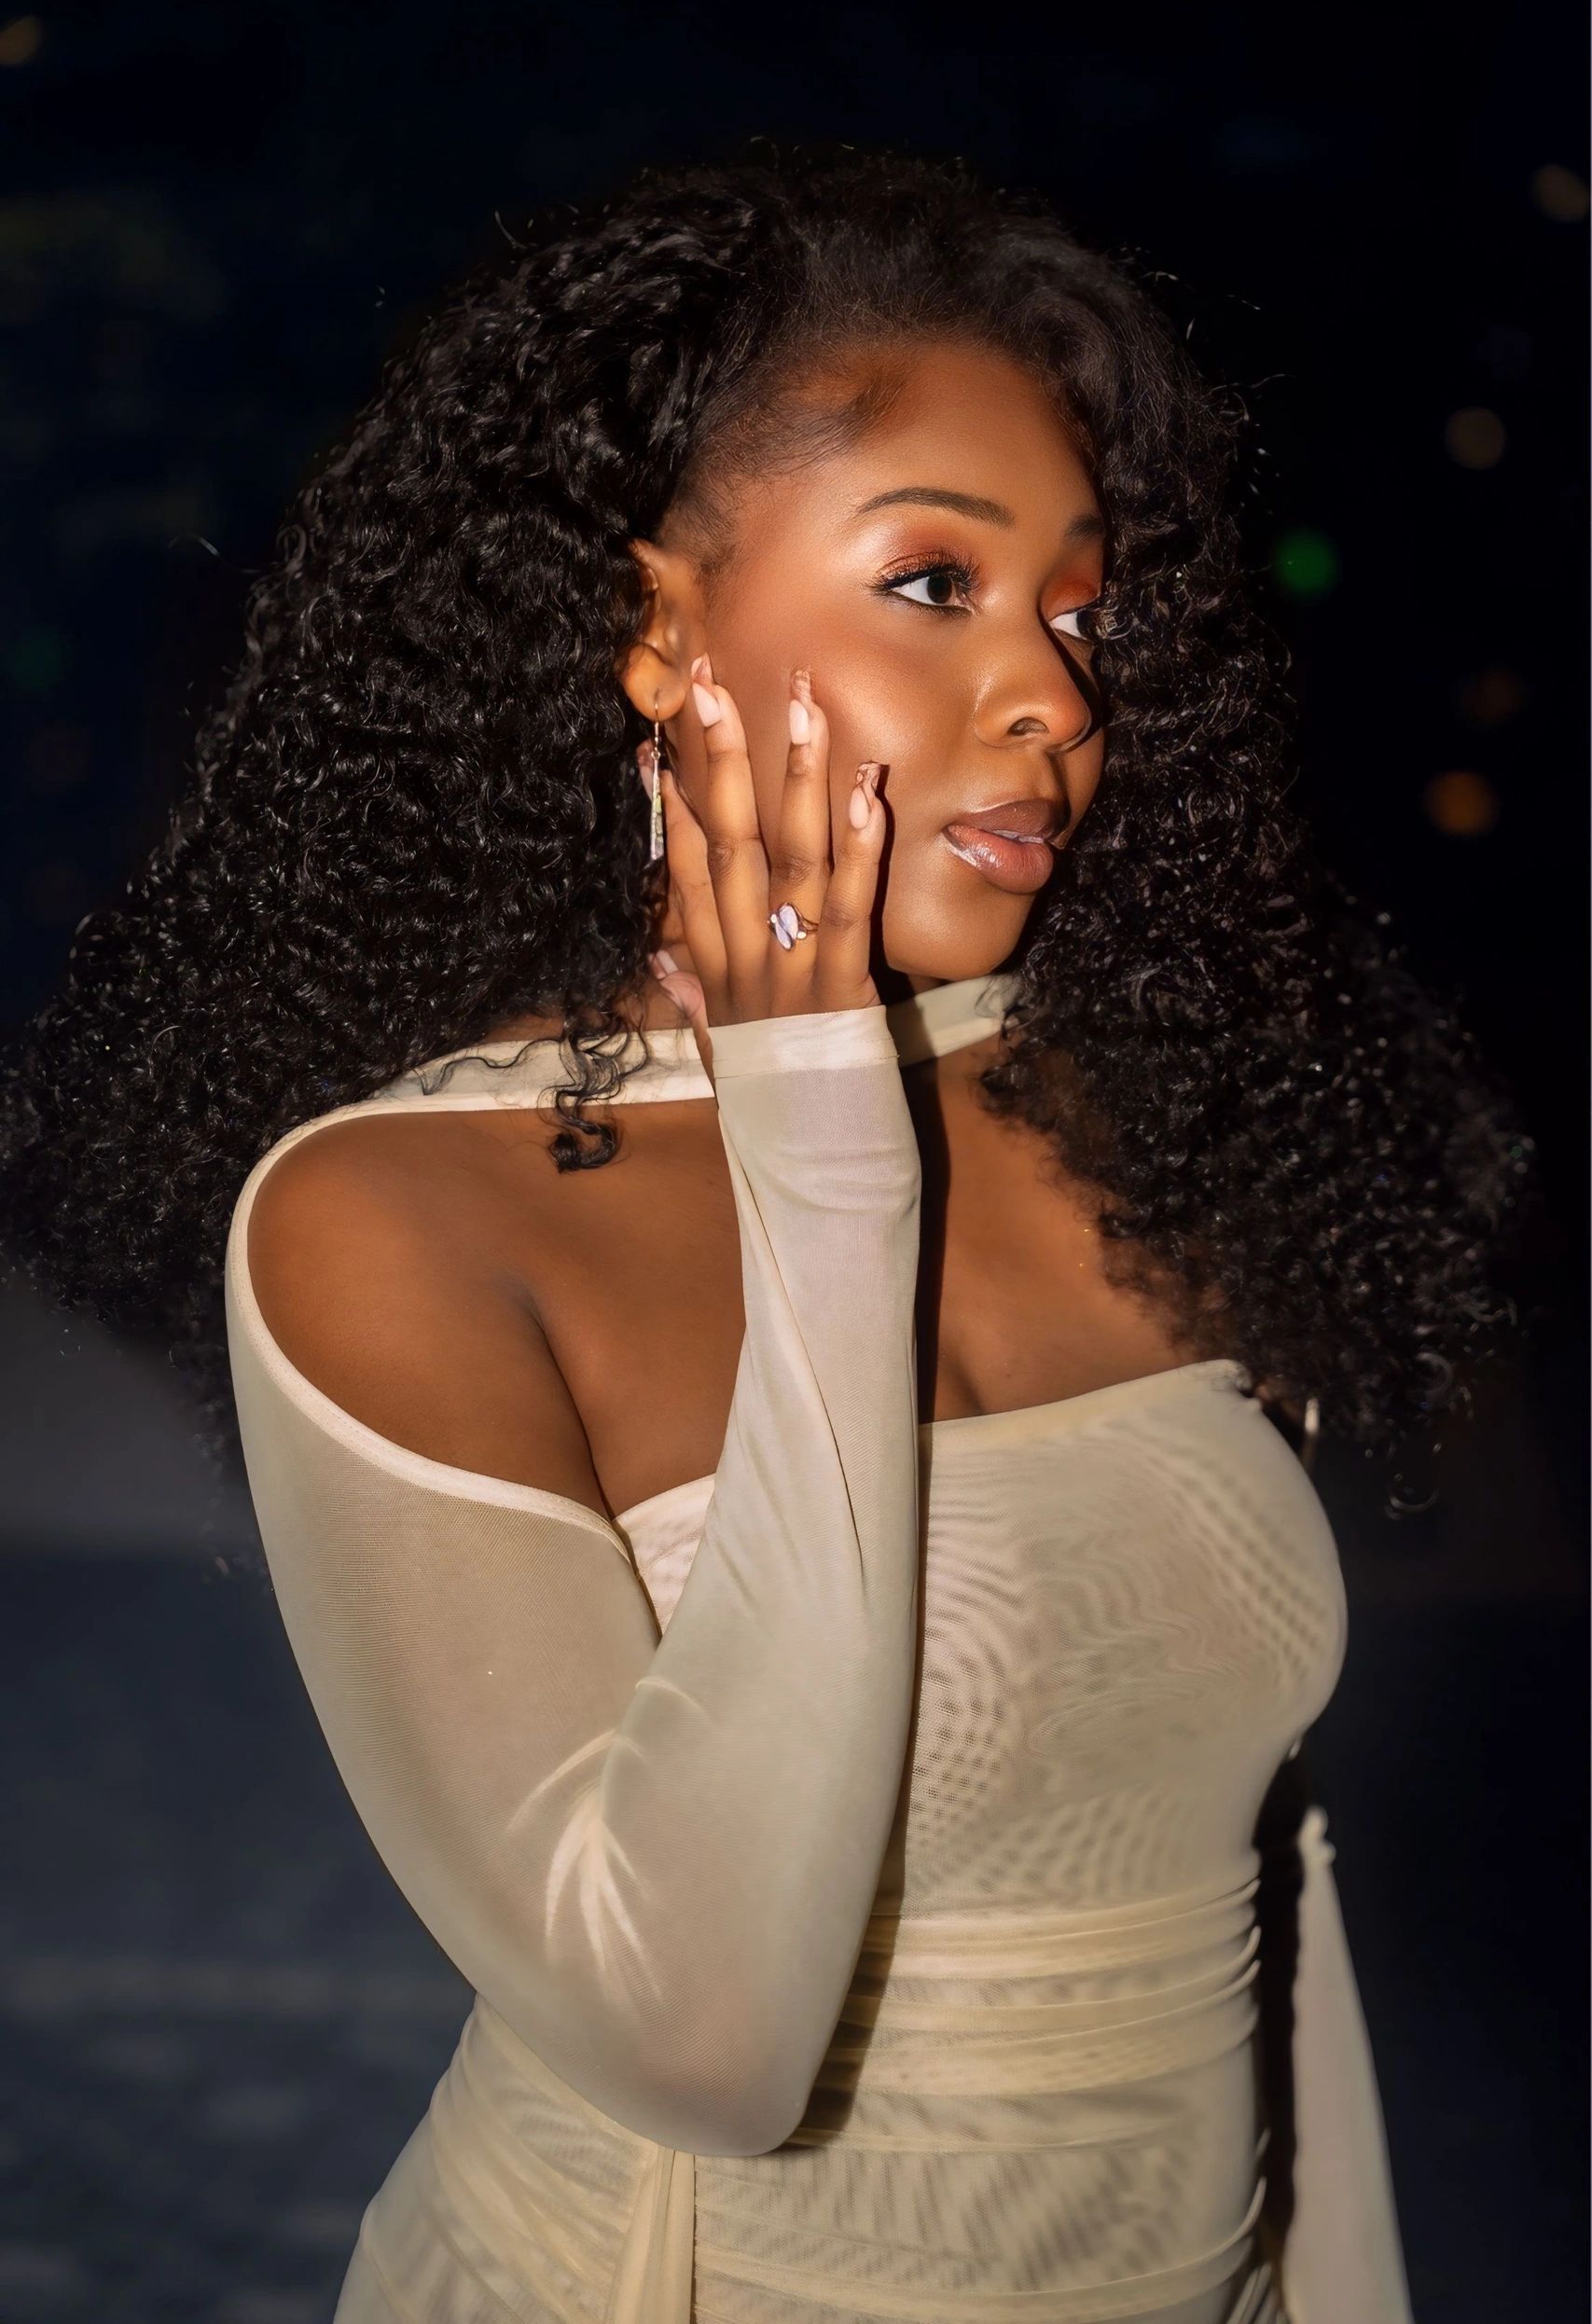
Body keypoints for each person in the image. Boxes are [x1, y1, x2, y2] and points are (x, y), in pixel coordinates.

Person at [0, 147, 1537, 2323]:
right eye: (935, 583)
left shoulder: (1102, 1103)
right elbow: (701, 2030)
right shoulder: (389, 1219)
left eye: (1076, 609)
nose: (1054, 705)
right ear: (649, 631)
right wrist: (819, 1140)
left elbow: (1255, 1904)